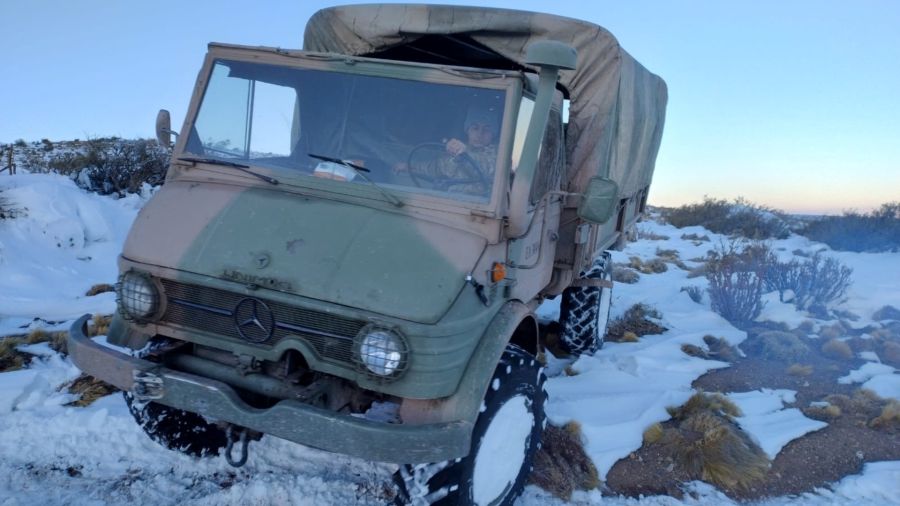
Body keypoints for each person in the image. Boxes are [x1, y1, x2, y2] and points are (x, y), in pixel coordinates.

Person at [397, 106, 500, 197]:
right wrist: (409, 167)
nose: (480, 134)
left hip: (478, 211)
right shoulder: (456, 150)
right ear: (468, 130)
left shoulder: (499, 154)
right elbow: (436, 167)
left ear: (493, 134)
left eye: (486, 130)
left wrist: (463, 154)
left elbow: (485, 167)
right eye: (475, 128)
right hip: (448, 203)